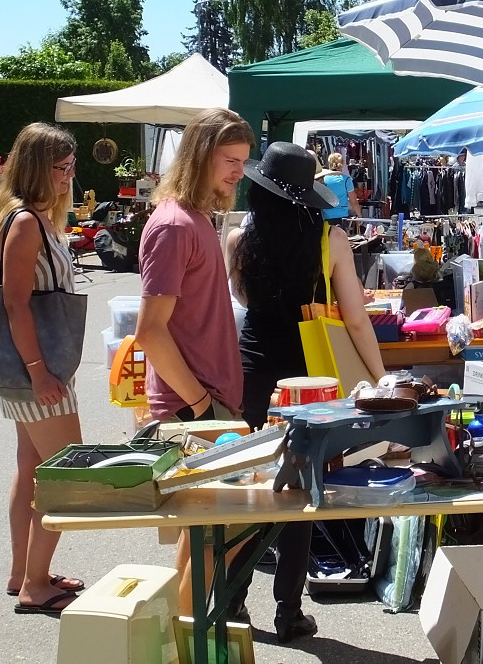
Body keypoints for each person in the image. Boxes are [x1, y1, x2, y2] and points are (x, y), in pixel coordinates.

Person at [223, 141, 386, 642]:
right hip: (308, 374)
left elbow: (242, 297)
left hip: (253, 363)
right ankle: (289, 612)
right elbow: (355, 319)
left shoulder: (236, 237)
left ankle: (232, 605)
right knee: (299, 488)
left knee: (247, 483)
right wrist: (380, 378)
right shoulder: (330, 238)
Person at [134, 107, 255, 612]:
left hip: (208, 401)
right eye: (229, 159)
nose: (238, 172)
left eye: (244, 161)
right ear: (200, 155)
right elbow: (149, 333)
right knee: (231, 527)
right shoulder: (176, 226)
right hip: (194, 407)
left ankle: (181, 636)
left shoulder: (196, 218)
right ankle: (183, 637)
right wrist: (203, 405)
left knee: (206, 536)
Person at [0, 124, 85, 615]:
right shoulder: (26, 223)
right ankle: (35, 585)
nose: (68, 176)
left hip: (24, 368)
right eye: (60, 168)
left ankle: (24, 572)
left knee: (32, 467)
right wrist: (40, 370)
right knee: (69, 474)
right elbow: (16, 305)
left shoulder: (17, 218)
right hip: (37, 368)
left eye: (70, 166)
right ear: (36, 169)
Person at [320, 152, 360, 225]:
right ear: (342, 164)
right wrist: (360, 216)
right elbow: (353, 201)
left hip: (326, 217)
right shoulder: (346, 180)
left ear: (329, 163)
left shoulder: (322, 179)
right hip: (341, 217)